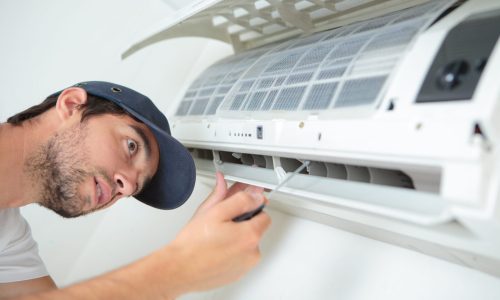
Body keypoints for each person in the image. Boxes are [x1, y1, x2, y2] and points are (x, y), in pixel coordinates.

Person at [0, 81, 271, 299]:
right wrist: (180, 266)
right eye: (131, 146)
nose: (127, 187)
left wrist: (196, 248)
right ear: (71, 105)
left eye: (136, 187)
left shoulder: (10, 241)